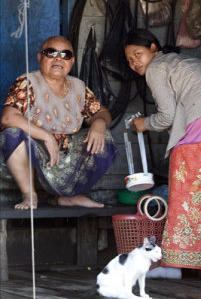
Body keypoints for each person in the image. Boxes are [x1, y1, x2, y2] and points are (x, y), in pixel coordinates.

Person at [124, 28, 201, 273]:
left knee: (186, 196)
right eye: (130, 60)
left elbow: (167, 116)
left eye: (138, 54)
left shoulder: (156, 67)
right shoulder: (184, 61)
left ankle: (177, 265)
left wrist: (145, 123)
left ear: (154, 48)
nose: (135, 62)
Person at [0, 35, 118, 210]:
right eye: (51, 52)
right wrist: (46, 136)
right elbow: (8, 117)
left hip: (67, 156)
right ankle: (29, 194)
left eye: (65, 54)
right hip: (35, 153)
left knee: (104, 136)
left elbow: (101, 113)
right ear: (40, 57)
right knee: (12, 134)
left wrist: (99, 123)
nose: (58, 58)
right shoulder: (28, 82)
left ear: (72, 61)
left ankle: (70, 196)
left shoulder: (78, 86)